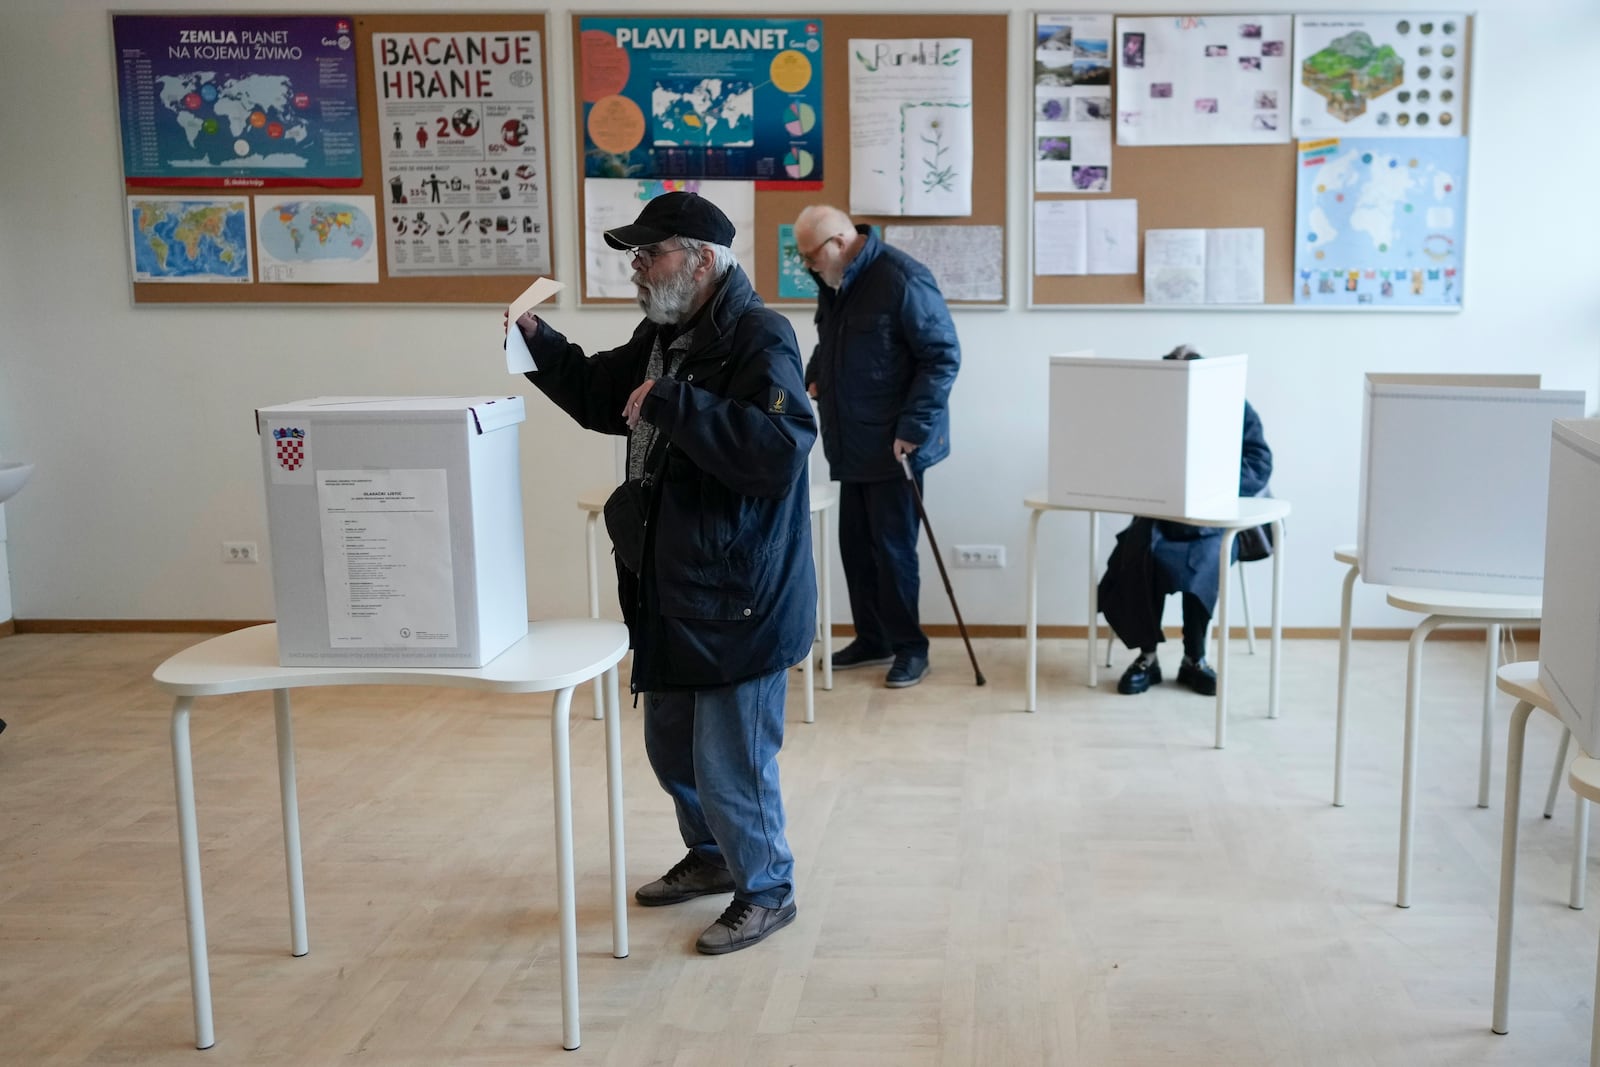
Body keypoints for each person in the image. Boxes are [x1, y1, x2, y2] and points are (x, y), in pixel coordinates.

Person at [507, 191, 815, 955]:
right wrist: (535, 338)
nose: (638, 268)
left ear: (703, 260)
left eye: (652, 253)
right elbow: (599, 394)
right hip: (676, 586)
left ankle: (766, 887)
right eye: (635, 256)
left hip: (740, 593)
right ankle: (713, 856)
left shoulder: (758, 336)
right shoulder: (663, 331)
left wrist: (679, 405)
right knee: (671, 746)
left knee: (728, 758)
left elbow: (780, 449)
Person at [793, 204, 961, 689]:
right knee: (857, 549)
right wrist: (815, 375)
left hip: (895, 445)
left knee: (893, 553)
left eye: (810, 256)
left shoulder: (902, 278)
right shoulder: (838, 281)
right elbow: (834, 342)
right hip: (852, 442)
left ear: (839, 243)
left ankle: (911, 647)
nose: (807, 266)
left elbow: (942, 356)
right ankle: (873, 638)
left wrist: (912, 428)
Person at [1100, 345, 1273, 696]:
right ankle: (1146, 657)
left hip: (1215, 520)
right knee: (1137, 553)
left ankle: (1195, 658)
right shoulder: (1148, 412)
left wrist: (1212, 484)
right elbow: (1123, 458)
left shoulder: (1234, 405)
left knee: (1209, 558)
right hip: (1159, 515)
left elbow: (1259, 461)